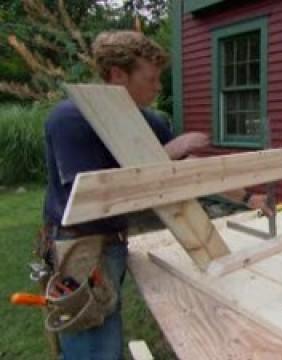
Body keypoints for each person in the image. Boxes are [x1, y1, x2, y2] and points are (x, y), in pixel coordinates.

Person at [42, 30, 269, 359]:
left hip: (113, 241)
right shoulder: (71, 119)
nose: (158, 87)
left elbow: (189, 168)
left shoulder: (148, 120)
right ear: (118, 75)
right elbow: (90, 199)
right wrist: (170, 150)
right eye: (150, 78)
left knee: (107, 330)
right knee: (94, 344)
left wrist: (249, 198)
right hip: (79, 246)